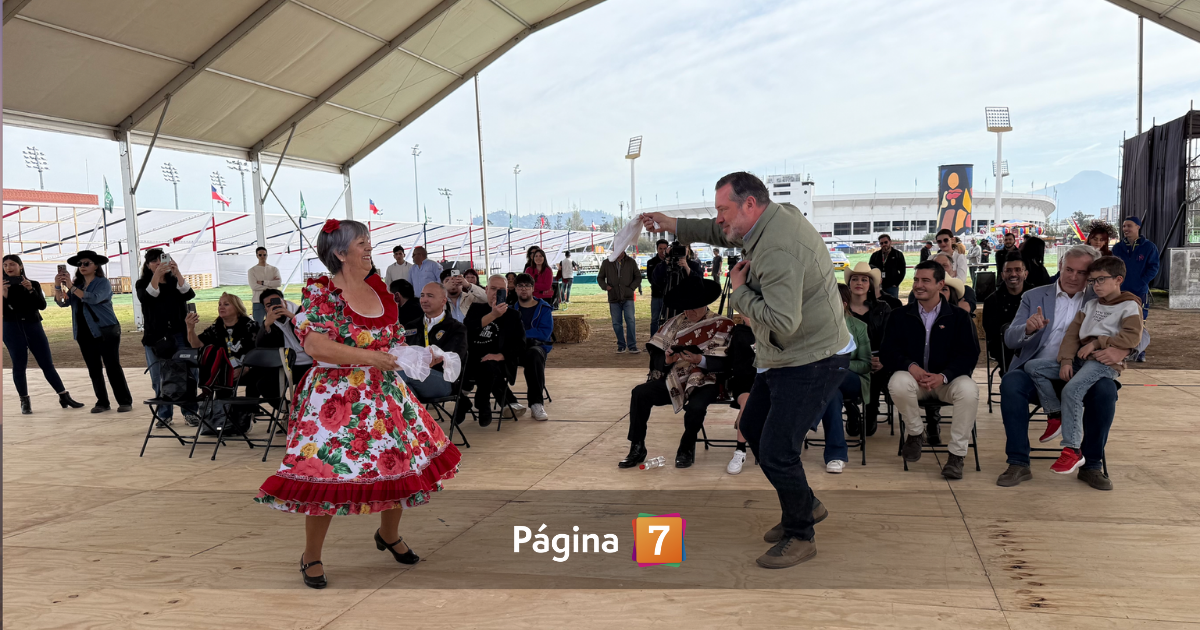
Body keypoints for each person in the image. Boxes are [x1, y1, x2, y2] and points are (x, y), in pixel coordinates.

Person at [642, 171, 851, 570]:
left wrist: (738, 292)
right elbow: (724, 233)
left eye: (723, 209)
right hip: (787, 356)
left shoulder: (777, 250)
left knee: (777, 449)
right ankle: (803, 504)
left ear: (750, 205)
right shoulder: (774, 216)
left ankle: (800, 534)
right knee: (752, 428)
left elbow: (782, 321)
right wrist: (673, 224)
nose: (719, 218)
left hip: (813, 357)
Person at [255, 219, 459, 590]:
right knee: (325, 475)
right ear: (339, 252)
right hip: (335, 397)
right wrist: (370, 358)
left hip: (382, 394)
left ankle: (388, 534)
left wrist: (422, 355)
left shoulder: (379, 291)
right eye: (363, 242)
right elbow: (315, 346)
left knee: (396, 466)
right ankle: (311, 555)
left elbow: (392, 342)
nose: (369, 247)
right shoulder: (322, 294)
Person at [998, 244, 1139, 491]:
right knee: (1010, 383)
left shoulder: (1102, 297)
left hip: (1085, 371)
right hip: (1039, 372)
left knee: (1106, 391)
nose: (1074, 277)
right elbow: (1010, 339)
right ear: (1060, 267)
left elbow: (1141, 334)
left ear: (1093, 274)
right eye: (1069, 270)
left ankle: (1091, 465)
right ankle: (1018, 462)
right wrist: (1028, 329)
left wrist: (1122, 349)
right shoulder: (1034, 296)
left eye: (1082, 273)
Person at [618, 277, 732, 469]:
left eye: (694, 306)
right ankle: (637, 447)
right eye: (685, 307)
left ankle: (686, 447)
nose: (689, 311)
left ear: (705, 302)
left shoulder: (722, 324)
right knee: (639, 393)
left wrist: (700, 360)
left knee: (696, 407)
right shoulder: (673, 324)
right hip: (674, 378)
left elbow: (728, 360)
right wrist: (667, 361)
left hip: (707, 379)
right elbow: (656, 357)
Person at [882, 261, 980, 479]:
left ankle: (956, 456)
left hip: (947, 381)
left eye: (925, 280)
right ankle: (916, 432)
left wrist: (944, 376)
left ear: (940, 284)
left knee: (969, 390)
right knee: (897, 382)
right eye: (916, 280)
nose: (919, 285)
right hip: (914, 381)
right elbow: (888, 351)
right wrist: (911, 367)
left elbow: (969, 355)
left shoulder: (959, 317)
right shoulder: (899, 315)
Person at [3, 254, 84, 413]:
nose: (8, 268)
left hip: (33, 326)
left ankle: (63, 395)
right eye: (5, 265)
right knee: (19, 365)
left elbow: (41, 305)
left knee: (47, 363)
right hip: (11, 329)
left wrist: (30, 290)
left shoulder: (32, 284)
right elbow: (5, 311)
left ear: (20, 266)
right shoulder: (1, 285)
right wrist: (4, 295)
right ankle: (24, 401)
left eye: (12, 264)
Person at [54, 250, 133, 414]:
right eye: (80, 264)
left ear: (96, 266)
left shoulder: (102, 283)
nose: (82, 266)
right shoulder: (78, 284)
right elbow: (63, 303)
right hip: (83, 333)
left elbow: (93, 298)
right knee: (94, 369)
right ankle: (102, 402)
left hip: (105, 330)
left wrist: (71, 286)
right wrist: (57, 286)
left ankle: (124, 401)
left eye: (86, 263)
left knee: (112, 366)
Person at [136, 249, 200, 427]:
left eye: (162, 259)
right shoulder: (142, 283)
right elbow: (148, 297)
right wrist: (156, 275)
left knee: (187, 374)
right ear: (148, 265)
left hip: (179, 334)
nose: (159, 263)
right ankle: (164, 414)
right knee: (159, 377)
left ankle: (190, 412)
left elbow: (188, 294)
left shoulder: (174, 282)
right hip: (155, 337)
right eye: (154, 261)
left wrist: (177, 272)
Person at [813, 284, 872, 474]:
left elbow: (865, 364)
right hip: (826, 384)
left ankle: (809, 422)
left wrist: (839, 365)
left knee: (832, 373)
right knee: (832, 395)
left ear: (844, 304)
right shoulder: (814, 328)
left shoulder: (859, 327)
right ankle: (836, 455)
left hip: (852, 379)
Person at [463, 275, 527, 427]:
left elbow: (520, 344)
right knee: (482, 365)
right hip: (472, 360)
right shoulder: (476, 309)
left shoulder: (513, 315)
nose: (495, 293)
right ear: (486, 290)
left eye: (500, 290)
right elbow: (466, 332)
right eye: (492, 289)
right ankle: (486, 402)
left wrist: (501, 355)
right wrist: (493, 315)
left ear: (506, 292)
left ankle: (482, 401)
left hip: (498, 362)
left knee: (489, 365)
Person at [843, 263, 891, 437]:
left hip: (878, 358)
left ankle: (872, 411)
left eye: (864, 279)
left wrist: (884, 359)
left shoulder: (883, 308)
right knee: (843, 371)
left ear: (870, 284)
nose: (859, 283)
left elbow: (890, 338)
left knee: (875, 372)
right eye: (854, 279)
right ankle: (852, 411)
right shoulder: (841, 310)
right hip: (851, 359)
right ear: (848, 284)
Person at [186, 292, 260, 401]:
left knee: (257, 375)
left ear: (237, 307)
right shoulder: (216, 327)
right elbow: (197, 345)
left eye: (226, 304)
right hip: (224, 371)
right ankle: (220, 407)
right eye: (219, 304)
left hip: (249, 369)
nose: (221, 307)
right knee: (209, 352)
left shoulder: (250, 326)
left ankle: (248, 409)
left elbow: (258, 352)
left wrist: (245, 368)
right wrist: (190, 329)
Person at [402, 282, 468, 402]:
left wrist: (424, 360)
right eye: (422, 295)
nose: (424, 300)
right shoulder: (411, 326)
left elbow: (453, 358)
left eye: (430, 296)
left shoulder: (456, 328)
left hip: (444, 380)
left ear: (443, 301)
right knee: (404, 388)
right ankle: (416, 418)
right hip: (415, 376)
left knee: (402, 374)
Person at [1112, 215, 1159, 361]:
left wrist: (1141, 281)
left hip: (1139, 292)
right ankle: (1121, 351)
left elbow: (1153, 267)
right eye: (1124, 226)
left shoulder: (1149, 247)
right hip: (1120, 291)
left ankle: (1139, 351)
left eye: (1129, 226)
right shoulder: (1118, 248)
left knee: (1138, 322)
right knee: (1119, 321)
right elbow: (1113, 267)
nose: (1126, 229)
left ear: (1138, 227)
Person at [512, 273, 553, 421]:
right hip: (515, 349)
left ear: (533, 289)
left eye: (527, 286)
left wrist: (522, 334)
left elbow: (544, 333)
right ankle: (507, 402)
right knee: (493, 358)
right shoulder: (511, 309)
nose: (524, 290)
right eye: (520, 286)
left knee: (534, 356)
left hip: (536, 347)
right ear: (515, 289)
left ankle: (536, 404)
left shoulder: (544, 308)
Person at [256, 288, 315, 388]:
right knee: (264, 385)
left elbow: (314, 329)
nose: (274, 306)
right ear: (265, 309)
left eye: (277, 302)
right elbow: (260, 347)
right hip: (290, 365)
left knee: (302, 390)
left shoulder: (300, 313)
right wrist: (266, 326)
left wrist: (292, 317)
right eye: (268, 305)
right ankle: (286, 404)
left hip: (312, 362)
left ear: (285, 302)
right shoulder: (269, 323)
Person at [982, 253, 1030, 372]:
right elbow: (992, 333)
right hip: (1005, 349)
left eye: (1018, 270)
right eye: (1008, 271)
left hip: (1032, 345)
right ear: (1002, 275)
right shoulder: (991, 301)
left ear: (1025, 274)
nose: (1013, 274)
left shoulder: (1037, 296)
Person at [724, 314, 757, 475]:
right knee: (749, 402)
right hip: (745, 381)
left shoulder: (775, 331)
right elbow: (737, 366)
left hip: (771, 380)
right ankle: (740, 450)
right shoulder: (739, 333)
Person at [597, 249, 643, 354]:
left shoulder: (631, 262)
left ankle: (632, 346)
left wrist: (631, 288)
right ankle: (621, 345)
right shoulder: (607, 262)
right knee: (616, 323)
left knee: (630, 321)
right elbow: (600, 278)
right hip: (613, 297)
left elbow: (638, 277)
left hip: (628, 297)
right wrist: (605, 287)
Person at [652, 241, 705, 324]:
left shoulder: (693, 265)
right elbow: (656, 280)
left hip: (688, 304)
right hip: (670, 305)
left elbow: (699, 282)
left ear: (688, 250)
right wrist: (667, 261)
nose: (679, 251)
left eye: (683, 248)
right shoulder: (665, 265)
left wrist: (687, 268)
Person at [248, 246, 281, 324]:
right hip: (258, 300)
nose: (262, 257)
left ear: (267, 255)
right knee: (258, 325)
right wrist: (271, 286)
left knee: (276, 323)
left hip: (273, 300)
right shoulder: (252, 270)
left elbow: (278, 283)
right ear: (257, 256)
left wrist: (263, 282)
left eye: (264, 255)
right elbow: (254, 286)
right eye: (260, 255)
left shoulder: (274, 269)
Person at [868, 234, 906, 299]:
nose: (884, 244)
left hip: (892, 287)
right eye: (881, 243)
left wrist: (896, 283)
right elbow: (870, 269)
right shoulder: (875, 255)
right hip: (878, 286)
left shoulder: (898, 254)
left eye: (886, 242)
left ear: (890, 242)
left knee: (893, 305)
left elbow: (903, 270)